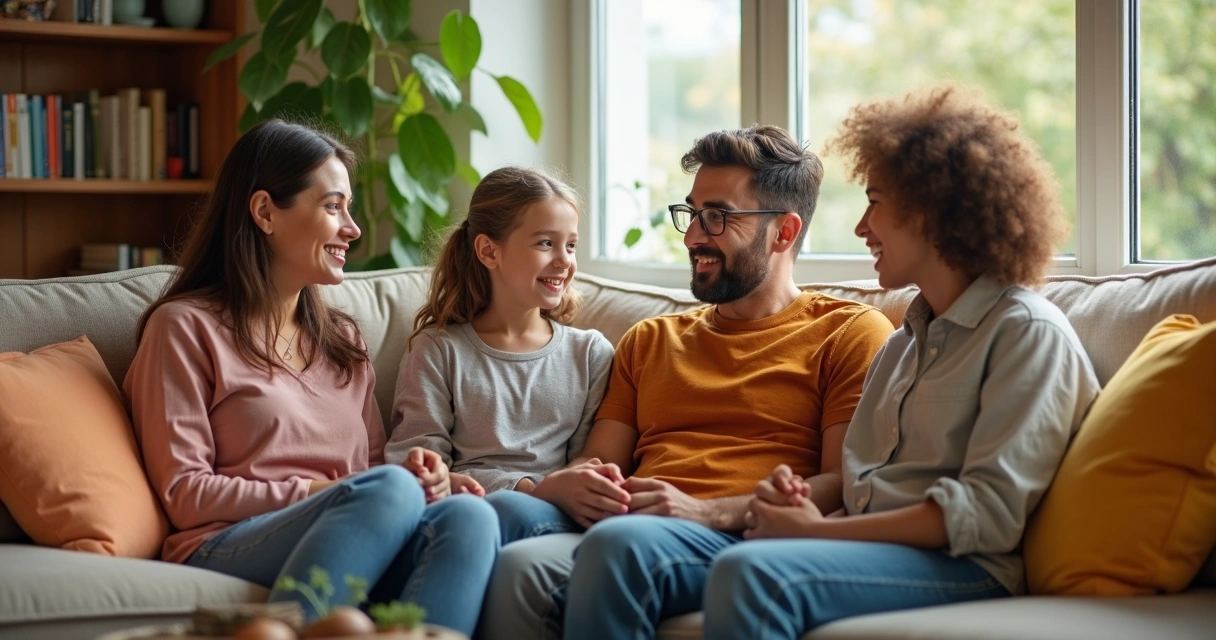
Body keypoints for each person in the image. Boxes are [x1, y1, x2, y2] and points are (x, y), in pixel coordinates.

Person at [701, 86, 1102, 639]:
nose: (862, 227)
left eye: (875, 201)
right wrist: (795, 514)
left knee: (755, 574)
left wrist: (811, 536)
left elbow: (985, 516)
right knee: (742, 559)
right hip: (880, 551)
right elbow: (864, 493)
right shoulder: (901, 344)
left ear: (933, 210)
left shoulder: (1025, 332)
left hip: (971, 566)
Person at [481, 124, 896, 640]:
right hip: (635, 523)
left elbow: (842, 483)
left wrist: (705, 510)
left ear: (784, 233)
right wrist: (583, 481)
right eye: (693, 213)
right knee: (506, 528)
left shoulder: (849, 332)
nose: (693, 235)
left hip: (741, 537)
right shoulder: (650, 339)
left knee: (621, 546)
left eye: (717, 217)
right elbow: (602, 458)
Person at [123, 119, 499, 635]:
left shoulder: (343, 339)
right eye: (332, 206)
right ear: (264, 212)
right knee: (387, 489)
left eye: (349, 208)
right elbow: (186, 494)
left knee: (470, 518)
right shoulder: (185, 328)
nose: (353, 227)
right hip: (226, 541)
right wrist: (329, 491)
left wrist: (431, 482)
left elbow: (372, 467)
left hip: (353, 518)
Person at [385, 166, 614, 541]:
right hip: (463, 517)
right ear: (489, 251)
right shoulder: (438, 350)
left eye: (570, 245)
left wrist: (547, 494)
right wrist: (524, 488)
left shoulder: (590, 354)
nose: (564, 260)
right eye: (545, 243)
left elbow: (585, 466)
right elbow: (416, 464)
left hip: (554, 519)